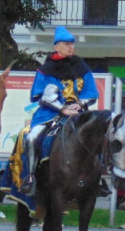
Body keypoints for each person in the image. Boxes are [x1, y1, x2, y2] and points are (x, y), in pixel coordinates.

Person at [21, 26, 98, 195]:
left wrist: (79, 104)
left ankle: (97, 178)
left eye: (72, 44)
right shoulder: (45, 70)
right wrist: (63, 109)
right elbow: (42, 95)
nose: (70, 47)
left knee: (99, 134)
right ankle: (31, 176)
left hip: (79, 111)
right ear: (57, 47)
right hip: (50, 113)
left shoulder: (82, 67)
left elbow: (91, 93)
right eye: (66, 44)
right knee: (32, 137)